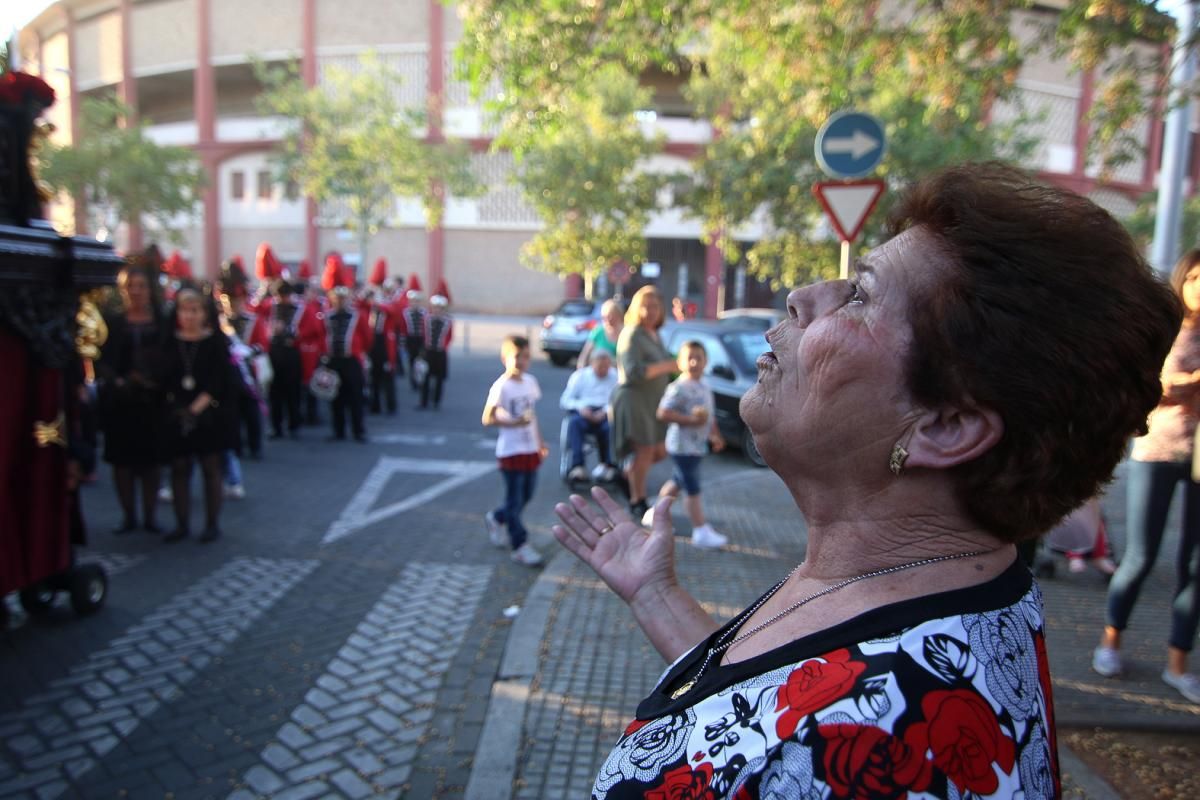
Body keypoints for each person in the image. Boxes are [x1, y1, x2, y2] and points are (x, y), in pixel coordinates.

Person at [551, 163, 1180, 797]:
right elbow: (770, 708)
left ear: (947, 426)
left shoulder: (878, 753)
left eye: (860, 294)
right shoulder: (924, 583)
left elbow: (819, 735)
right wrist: (657, 597)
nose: (803, 294)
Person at [1094, 248, 1200, 704]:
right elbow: (1140, 388)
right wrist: (1185, 383)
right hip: (1156, 452)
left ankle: (1179, 664)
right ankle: (1110, 641)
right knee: (1140, 556)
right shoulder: (1165, 329)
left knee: (1195, 567)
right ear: (1183, 280)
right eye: (1196, 277)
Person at [95, 258, 169, 534]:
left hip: (153, 402)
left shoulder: (161, 322)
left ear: (149, 289)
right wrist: (119, 379)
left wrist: (156, 379)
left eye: (140, 286)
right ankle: (128, 516)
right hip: (121, 401)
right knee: (122, 461)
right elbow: (101, 361)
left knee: (151, 462)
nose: (136, 291)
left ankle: (150, 516)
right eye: (130, 286)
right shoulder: (112, 322)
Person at [162, 287, 237, 543]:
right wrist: (177, 407)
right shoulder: (171, 341)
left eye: (194, 310)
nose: (189, 316)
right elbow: (165, 377)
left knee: (210, 467)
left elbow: (219, 381)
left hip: (208, 413)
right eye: (184, 310)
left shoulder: (215, 342)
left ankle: (211, 524)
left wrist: (196, 408)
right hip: (177, 411)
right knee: (179, 467)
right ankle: (181, 524)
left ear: (204, 314)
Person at [645, 340, 728, 549]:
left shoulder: (705, 384)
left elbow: (709, 415)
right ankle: (700, 530)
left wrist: (714, 435)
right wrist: (690, 420)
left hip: (697, 445)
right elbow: (662, 412)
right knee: (693, 487)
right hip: (682, 447)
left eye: (698, 358)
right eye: (689, 358)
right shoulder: (678, 387)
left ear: (705, 361)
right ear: (680, 362)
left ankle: (655, 514)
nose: (693, 362)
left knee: (677, 481)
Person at [482, 335, 549, 567]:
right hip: (511, 451)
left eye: (526, 356)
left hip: (529, 449)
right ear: (505, 358)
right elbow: (487, 418)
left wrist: (539, 441)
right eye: (516, 356)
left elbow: (532, 416)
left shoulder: (530, 382)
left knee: (526, 496)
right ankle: (519, 545)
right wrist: (513, 423)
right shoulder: (501, 386)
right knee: (514, 498)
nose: (521, 361)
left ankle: (497, 517)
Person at [610, 286, 677, 518]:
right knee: (645, 451)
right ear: (636, 309)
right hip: (634, 400)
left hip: (653, 403)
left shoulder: (655, 334)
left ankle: (626, 477)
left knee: (660, 450)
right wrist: (667, 366)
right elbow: (633, 372)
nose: (650, 311)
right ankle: (637, 500)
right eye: (645, 306)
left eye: (655, 306)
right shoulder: (632, 334)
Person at [320, 286, 372, 442]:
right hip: (333, 360)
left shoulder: (358, 315)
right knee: (335, 396)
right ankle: (339, 430)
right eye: (337, 298)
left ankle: (358, 430)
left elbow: (367, 337)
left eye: (343, 298)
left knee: (356, 396)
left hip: (351, 360)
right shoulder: (327, 316)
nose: (340, 302)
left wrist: (358, 351)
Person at [560, 350, 619, 483]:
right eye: (600, 367)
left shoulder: (614, 376)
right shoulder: (580, 376)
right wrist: (581, 408)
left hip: (605, 412)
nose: (604, 370)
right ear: (592, 364)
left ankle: (608, 465)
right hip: (583, 411)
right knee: (574, 424)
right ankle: (577, 466)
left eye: (606, 366)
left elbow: (617, 401)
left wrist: (604, 411)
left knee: (611, 427)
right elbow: (565, 400)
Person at [266, 280, 304, 439]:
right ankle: (276, 426)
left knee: (292, 391)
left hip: (291, 352)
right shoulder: (270, 307)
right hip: (274, 351)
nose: (281, 299)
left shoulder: (300, 309)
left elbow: (309, 331)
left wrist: (289, 332)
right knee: (275, 392)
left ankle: (293, 424)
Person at [367, 288, 400, 415]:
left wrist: (376, 303)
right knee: (374, 376)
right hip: (374, 342)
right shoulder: (372, 305)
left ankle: (391, 405)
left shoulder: (390, 304)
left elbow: (392, 311)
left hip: (386, 344)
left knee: (388, 376)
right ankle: (375, 405)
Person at [418, 294, 453, 410]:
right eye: (435, 307)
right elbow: (423, 334)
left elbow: (449, 337)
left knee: (439, 379)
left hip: (440, 352)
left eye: (439, 308)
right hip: (428, 352)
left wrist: (444, 347)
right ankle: (424, 401)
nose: (437, 310)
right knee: (425, 377)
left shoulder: (448, 321)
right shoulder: (427, 319)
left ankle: (437, 401)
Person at [576, 298, 624, 369]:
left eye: (609, 316)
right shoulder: (598, 332)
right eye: (603, 317)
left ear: (618, 316)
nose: (606, 320)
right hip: (598, 374)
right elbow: (584, 357)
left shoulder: (626, 333)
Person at [402, 290, 427, 391]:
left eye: (416, 301)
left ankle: (421, 380)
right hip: (411, 339)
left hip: (420, 339)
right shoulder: (406, 313)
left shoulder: (424, 313)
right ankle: (413, 381)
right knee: (411, 361)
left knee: (421, 361)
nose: (414, 303)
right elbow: (403, 328)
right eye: (412, 301)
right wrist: (403, 343)